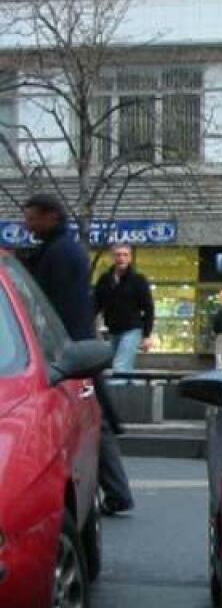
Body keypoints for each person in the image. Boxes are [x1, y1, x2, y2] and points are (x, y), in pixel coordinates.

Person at [21, 193, 134, 515]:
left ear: (51, 216)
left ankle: (114, 490)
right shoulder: (60, 250)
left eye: (32, 217)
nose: (27, 224)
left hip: (70, 354)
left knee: (91, 420)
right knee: (95, 419)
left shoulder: (58, 254)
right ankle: (116, 490)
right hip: (77, 351)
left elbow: (53, 306)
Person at [94, 242, 155, 376]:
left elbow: (149, 308)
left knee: (120, 366)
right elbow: (96, 304)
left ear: (130, 258)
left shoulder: (138, 280)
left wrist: (146, 335)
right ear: (113, 257)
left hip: (132, 330)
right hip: (113, 329)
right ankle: (129, 393)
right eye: (118, 255)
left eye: (125, 255)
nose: (121, 258)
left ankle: (118, 395)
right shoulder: (105, 280)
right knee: (121, 368)